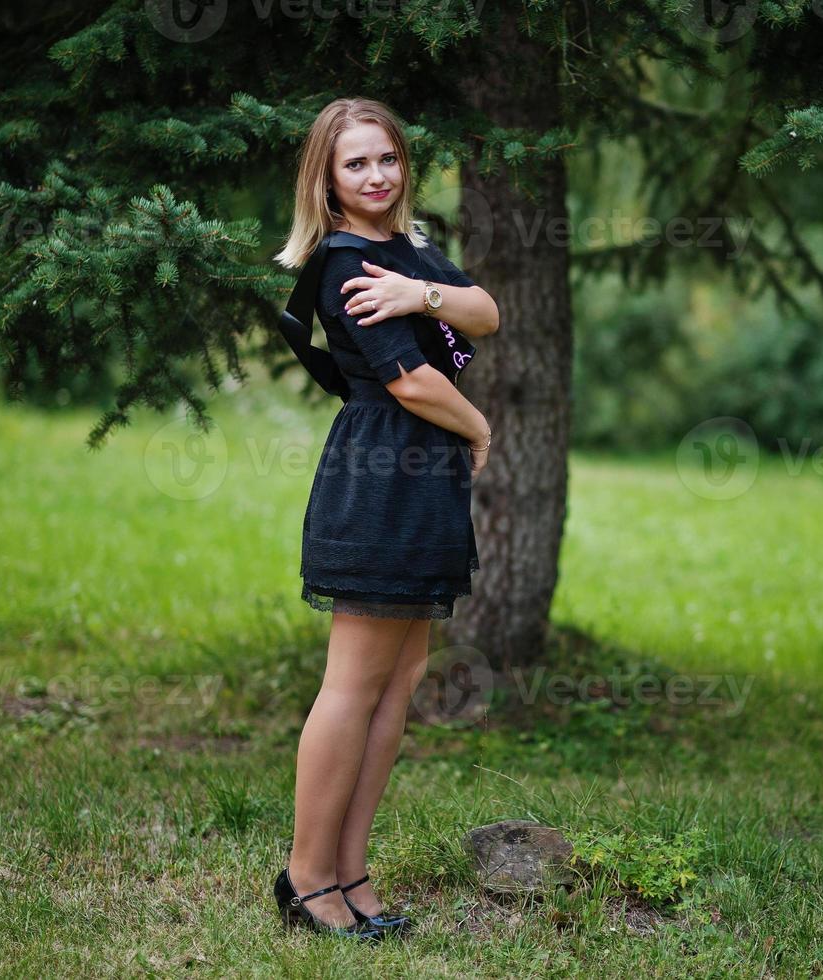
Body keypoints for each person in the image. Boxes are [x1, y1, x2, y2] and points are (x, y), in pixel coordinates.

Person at [269, 97, 500, 942]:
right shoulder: (343, 262)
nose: (375, 175)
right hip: (380, 475)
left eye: (386, 159)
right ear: (326, 180)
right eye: (354, 164)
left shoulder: (407, 252)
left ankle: (352, 872)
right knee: (354, 684)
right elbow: (407, 380)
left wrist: (424, 289)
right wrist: (477, 426)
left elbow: (486, 315)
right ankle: (306, 879)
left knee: (397, 685)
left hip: (420, 475)